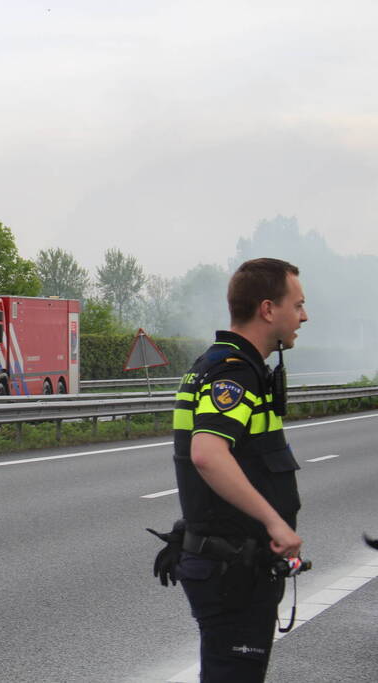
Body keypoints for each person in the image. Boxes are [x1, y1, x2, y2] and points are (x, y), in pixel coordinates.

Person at [155, 257, 308, 681]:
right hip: (231, 568)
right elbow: (208, 452)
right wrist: (275, 523)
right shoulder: (235, 372)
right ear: (267, 309)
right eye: (297, 305)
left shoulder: (219, 362)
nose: (304, 316)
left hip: (225, 562)